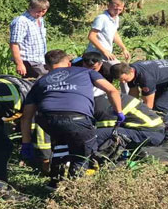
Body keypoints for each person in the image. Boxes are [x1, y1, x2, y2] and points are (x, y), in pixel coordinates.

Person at [20, 49, 124, 180]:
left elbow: (26, 117)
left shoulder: (40, 82)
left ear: (46, 67)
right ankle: (75, 186)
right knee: (84, 152)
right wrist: (119, 112)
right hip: (77, 118)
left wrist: (26, 143)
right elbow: (112, 90)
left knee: (62, 143)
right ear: (69, 64)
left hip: (47, 120)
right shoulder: (87, 72)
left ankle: (55, 181)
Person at [111, 59, 168, 145]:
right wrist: (129, 110)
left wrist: (140, 121)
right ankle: (161, 131)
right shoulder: (130, 70)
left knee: (161, 106)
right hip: (167, 77)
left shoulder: (146, 78)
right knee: (155, 105)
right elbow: (133, 95)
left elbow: (149, 106)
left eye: (124, 80)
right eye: (121, 80)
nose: (123, 82)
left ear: (131, 72)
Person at [85, 0, 131, 93]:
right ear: (109, 6)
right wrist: (104, 51)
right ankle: (126, 96)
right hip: (96, 53)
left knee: (111, 74)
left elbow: (114, 34)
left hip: (106, 54)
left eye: (120, 10)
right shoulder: (102, 18)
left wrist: (124, 48)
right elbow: (91, 36)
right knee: (121, 70)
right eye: (115, 9)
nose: (117, 12)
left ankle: (124, 97)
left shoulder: (116, 18)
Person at [9, 0, 50, 78]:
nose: (40, 13)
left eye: (43, 11)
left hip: (40, 59)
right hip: (28, 61)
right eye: (38, 11)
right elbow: (14, 44)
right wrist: (19, 64)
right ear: (30, 8)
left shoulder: (40, 20)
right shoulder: (21, 21)